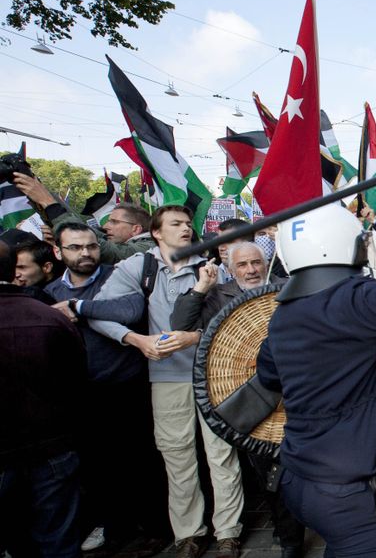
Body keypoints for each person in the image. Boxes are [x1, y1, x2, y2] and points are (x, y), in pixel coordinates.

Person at [255, 156, 376, 558]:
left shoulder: (284, 317)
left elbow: (270, 377)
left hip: (300, 481)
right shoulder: (354, 306)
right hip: (349, 495)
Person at [89, 206, 245, 558]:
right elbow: (99, 312)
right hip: (166, 377)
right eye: (176, 224)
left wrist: (197, 337)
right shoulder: (139, 267)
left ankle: (228, 533)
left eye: (189, 224)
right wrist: (135, 340)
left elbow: (231, 321)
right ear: (156, 232)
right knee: (178, 457)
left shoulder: (209, 268)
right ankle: (189, 533)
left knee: (221, 456)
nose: (186, 229)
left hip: (212, 374)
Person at [45, 222, 171, 557]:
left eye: (91, 246)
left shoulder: (118, 277)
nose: (85, 253)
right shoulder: (50, 292)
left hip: (126, 387)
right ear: (58, 252)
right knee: (99, 469)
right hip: (82, 394)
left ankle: (157, 529)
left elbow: (129, 311)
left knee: (142, 463)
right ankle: (117, 529)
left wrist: (78, 309)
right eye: (75, 247)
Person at [169, 242, 299, 558]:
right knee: (270, 474)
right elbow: (180, 325)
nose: (251, 270)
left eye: (256, 262)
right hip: (247, 402)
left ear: (266, 263)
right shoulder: (216, 295)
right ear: (231, 268)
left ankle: (309, 533)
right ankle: (289, 539)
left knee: (303, 468)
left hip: (295, 395)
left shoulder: (286, 289)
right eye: (243, 265)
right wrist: (201, 286)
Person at [0, 238, 87, 558]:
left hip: (49, 450)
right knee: (58, 543)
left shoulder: (51, 316)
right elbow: (78, 381)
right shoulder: (51, 316)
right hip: (54, 448)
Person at [14, 171, 154, 264]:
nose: (105, 226)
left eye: (114, 222)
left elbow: (100, 247)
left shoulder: (148, 248)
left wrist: (48, 202)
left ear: (136, 229)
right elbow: (82, 226)